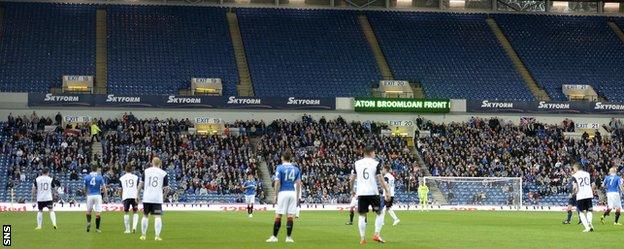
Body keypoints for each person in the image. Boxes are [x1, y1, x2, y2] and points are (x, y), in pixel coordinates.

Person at [349, 146, 391, 245]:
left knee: (362, 215)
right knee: (380, 212)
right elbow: (380, 179)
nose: (375, 154)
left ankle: (362, 239)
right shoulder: (376, 163)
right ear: (371, 152)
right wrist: (387, 191)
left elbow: (352, 179)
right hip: (373, 193)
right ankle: (376, 234)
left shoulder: (357, 163)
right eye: (374, 152)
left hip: (361, 193)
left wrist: (352, 190)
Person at [266, 151, 301, 243]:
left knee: (278, 215)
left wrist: (275, 195)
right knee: (290, 216)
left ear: (282, 158)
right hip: (292, 193)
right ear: (290, 158)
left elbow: (277, 182)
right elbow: (298, 184)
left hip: (283, 192)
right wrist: (297, 197)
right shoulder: (296, 169)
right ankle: (288, 237)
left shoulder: (280, 168)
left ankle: (274, 237)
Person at [139, 157, 169, 241]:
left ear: (152, 162)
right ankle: (157, 236)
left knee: (145, 215)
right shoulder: (163, 173)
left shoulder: (146, 171)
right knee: (157, 216)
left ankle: (143, 235)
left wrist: (137, 194)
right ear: (160, 163)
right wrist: (164, 195)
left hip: (147, 197)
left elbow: (141, 184)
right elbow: (166, 188)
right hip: (157, 198)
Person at [572, 163, 594, 232]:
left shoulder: (575, 176)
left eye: (573, 168)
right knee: (589, 210)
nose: (573, 170)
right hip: (588, 194)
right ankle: (590, 222)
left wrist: (573, 193)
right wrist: (591, 191)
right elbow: (593, 184)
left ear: (576, 168)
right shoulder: (587, 174)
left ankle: (587, 227)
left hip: (580, 195)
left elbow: (575, 187)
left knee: (580, 212)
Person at [84, 165, 106, 233]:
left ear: (91, 169)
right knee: (98, 213)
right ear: (96, 169)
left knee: (88, 211)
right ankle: (97, 229)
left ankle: (88, 222)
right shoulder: (99, 177)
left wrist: (86, 194)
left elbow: (85, 187)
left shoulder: (87, 177)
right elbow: (104, 187)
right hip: (97, 195)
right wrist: (105, 195)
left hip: (90, 195)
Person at [120, 165, 141, 233]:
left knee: (126, 212)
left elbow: (120, 190)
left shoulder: (122, 178)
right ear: (132, 170)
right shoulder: (136, 177)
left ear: (125, 170)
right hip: (134, 196)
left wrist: (122, 198)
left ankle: (128, 229)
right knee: (135, 211)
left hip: (126, 196)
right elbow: (138, 187)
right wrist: (138, 196)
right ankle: (134, 227)